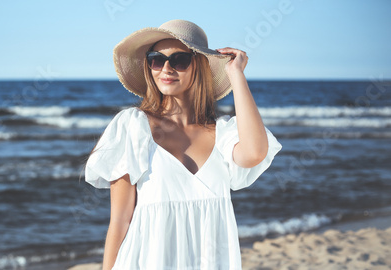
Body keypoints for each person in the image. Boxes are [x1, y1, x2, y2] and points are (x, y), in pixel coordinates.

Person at [84, 19, 282, 270]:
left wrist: (236, 75)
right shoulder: (133, 127)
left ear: (198, 66)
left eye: (179, 60)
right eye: (156, 59)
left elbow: (254, 153)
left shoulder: (223, 133)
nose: (166, 68)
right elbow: (120, 220)